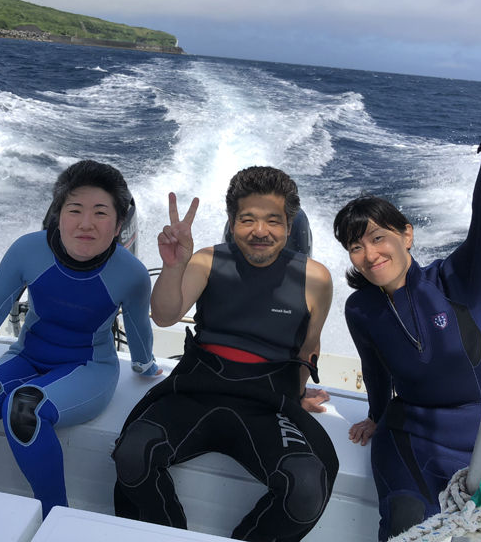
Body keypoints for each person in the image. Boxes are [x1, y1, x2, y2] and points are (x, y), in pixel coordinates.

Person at [333, 64, 481, 541]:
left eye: (378, 238)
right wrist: (376, 416)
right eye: (355, 246)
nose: (369, 254)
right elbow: (376, 372)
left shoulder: (456, 279)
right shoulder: (361, 309)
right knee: (405, 523)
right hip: (407, 439)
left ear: (407, 235)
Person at [113, 166, 339, 542]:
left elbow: (307, 347)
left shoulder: (315, 278)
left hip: (266, 404)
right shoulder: (206, 261)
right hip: (197, 390)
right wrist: (174, 266)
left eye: (273, 220)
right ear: (232, 222)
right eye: (247, 219)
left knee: (305, 487)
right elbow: (165, 315)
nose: (260, 231)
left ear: (289, 225)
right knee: (133, 453)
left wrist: (298, 395)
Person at [0, 159, 159, 515]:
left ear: (119, 225)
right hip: (27, 355)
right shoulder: (28, 250)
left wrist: (145, 367)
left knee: (24, 410)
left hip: (89, 368)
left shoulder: (131, 273)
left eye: (101, 213)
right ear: (57, 215)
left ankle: (57, 519)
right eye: (75, 210)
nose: (86, 223)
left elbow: (139, 330)